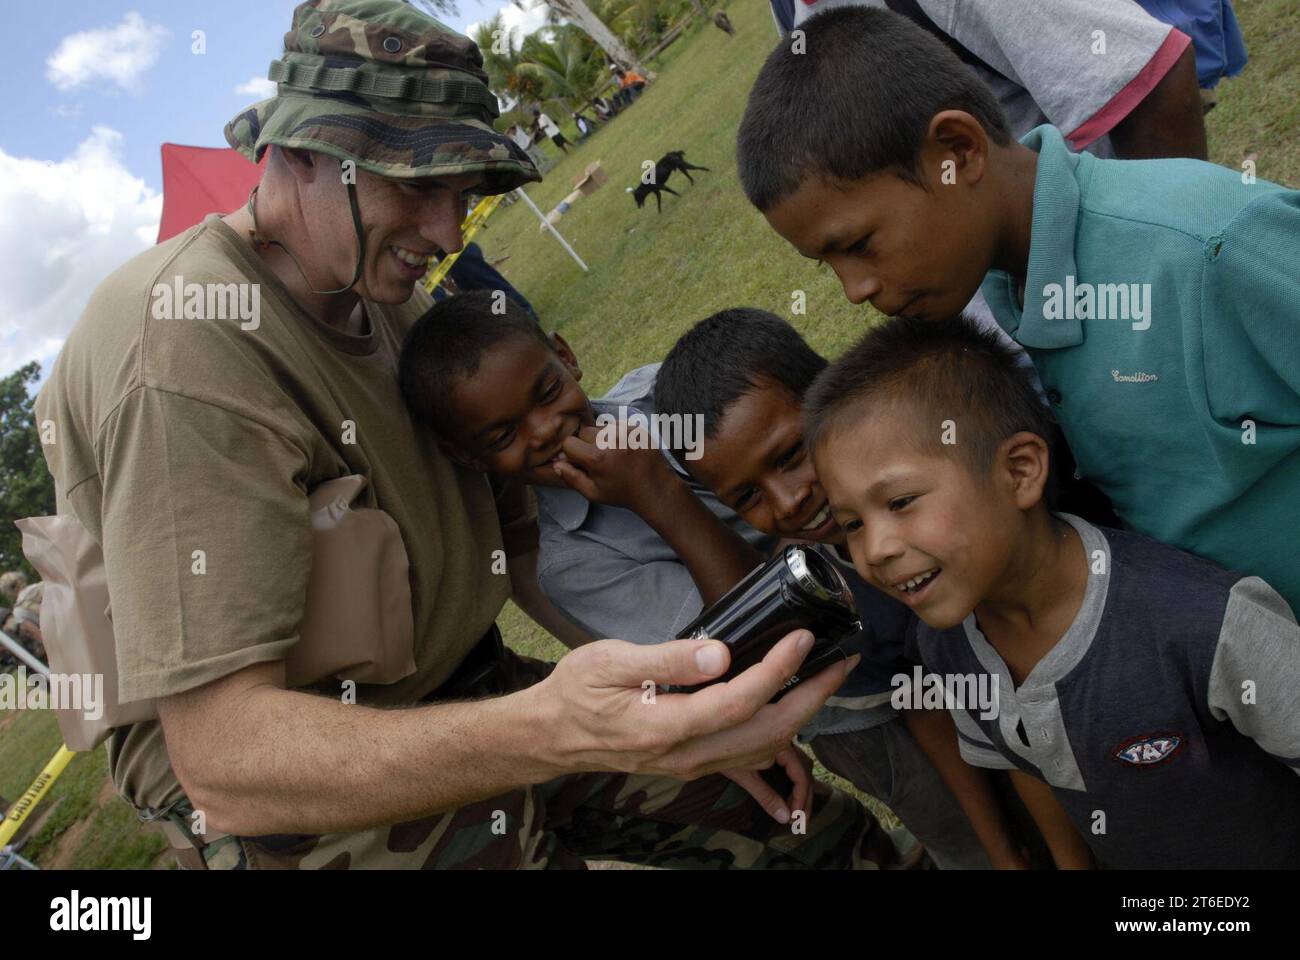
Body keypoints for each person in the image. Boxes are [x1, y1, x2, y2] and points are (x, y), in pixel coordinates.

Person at [33, 0, 885, 871]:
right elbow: (224, 758)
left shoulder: (386, 296)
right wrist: (557, 729)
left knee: (811, 833)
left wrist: (659, 706)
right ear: (298, 152)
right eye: (416, 184)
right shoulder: (181, 344)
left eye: (460, 191)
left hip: (458, 686)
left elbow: (512, 555)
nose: (448, 233)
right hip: (292, 791)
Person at [736, 5, 1300, 615]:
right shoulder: (1009, 291)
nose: (855, 291)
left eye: (858, 245)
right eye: (829, 266)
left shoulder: (1210, 245)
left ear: (958, 150)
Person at [397, 292, 984, 866]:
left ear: (565, 355)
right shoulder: (572, 567)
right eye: (503, 436)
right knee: (963, 831)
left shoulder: (662, 397)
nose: (545, 430)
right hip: (853, 705)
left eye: (548, 391)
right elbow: (755, 648)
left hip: (924, 599)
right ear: (470, 458)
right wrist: (656, 493)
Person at [803, 314, 1300, 869]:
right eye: (851, 524)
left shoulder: (1205, 625)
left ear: (1019, 471)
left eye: (899, 503)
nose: (874, 550)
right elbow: (1027, 761)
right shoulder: (946, 646)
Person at [654, 308, 1055, 869]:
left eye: (792, 456)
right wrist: (1002, 852)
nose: (787, 500)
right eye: (748, 498)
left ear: (826, 395)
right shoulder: (840, 588)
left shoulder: (949, 466)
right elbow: (927, 707)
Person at [768, 0, 1208, 161]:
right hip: (1000, 337)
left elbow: (1149, 78)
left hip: (1091, 302)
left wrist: (1162, 274)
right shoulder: (790, 12)